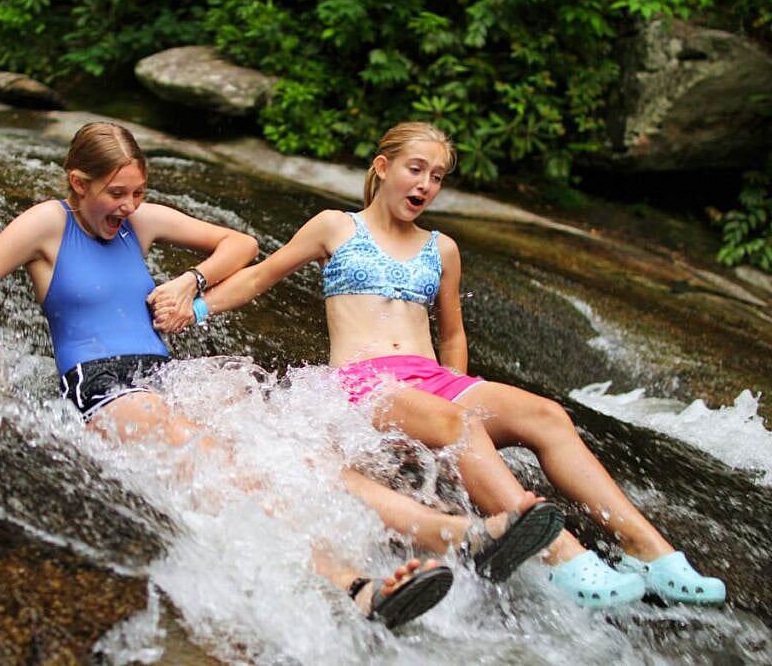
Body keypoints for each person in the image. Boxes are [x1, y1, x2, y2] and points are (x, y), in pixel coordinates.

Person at [0, 121, 563, 631]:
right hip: (103, 387)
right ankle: (356, 586)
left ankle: (463, 537)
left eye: (138, 193)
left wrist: (190, 280)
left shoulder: (140, 224)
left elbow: (240, 245)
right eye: (116, 194)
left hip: (167, 376)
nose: (129, 207)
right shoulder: (47, 223)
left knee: (294, 454)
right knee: (220, 461)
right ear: (78, 183)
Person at [155, 121, 726, 609]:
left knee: (548, 414)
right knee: (457, 425)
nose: (425, 185)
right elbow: (260, 275)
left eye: (437, 177)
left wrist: (458, 389)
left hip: (433, 383)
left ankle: (654, 556)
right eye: (415, 170)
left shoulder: (441, 248)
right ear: (383, 168)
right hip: (363, 385)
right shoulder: (335, 226)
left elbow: (451, 334)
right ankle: (568, 561)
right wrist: (195, 304)